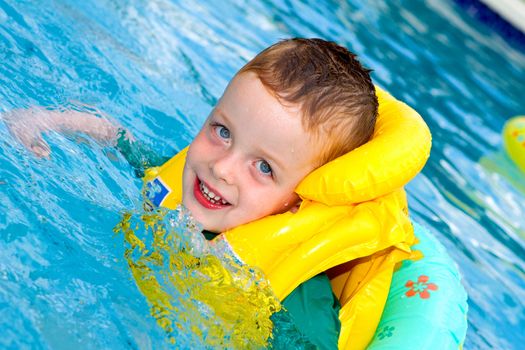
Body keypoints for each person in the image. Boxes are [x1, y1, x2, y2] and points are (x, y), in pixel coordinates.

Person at [4, 38, 379, 348]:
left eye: (264, 167)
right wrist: (44, 120)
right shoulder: (174, 183)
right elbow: (118, 138)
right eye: (223, 131)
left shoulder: (294, 296)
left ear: (302, 200)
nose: (222, 167)